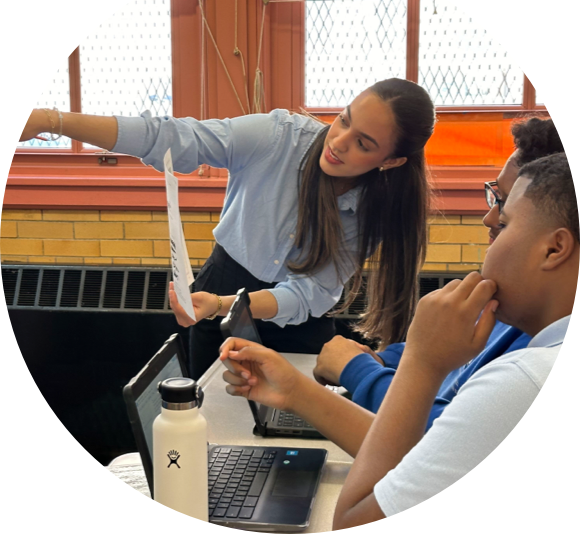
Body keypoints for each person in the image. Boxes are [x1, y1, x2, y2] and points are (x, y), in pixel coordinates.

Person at [219, 151, 579, 528]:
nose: (489, 223)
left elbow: (353, 523)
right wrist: (294, 390)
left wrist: (423, 361)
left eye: (504, 222)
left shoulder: (530, 382)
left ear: (554, 249)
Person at [20, 79, 435, 379]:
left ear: (391, 162)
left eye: (364, 143)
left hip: (292, 322)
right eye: (343, 120)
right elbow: (168, 137)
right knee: (213, 425)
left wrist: (226, 305)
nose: (339, 142)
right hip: (221, 286)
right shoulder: (277, 136)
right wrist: (51, 120)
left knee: (293, 434)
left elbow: (308, 294)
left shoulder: (376, 207)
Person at [312, 116, 564, 431]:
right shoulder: (513, 306)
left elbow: (449, 437)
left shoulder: (544, 366)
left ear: (556, 246)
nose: (489, 219)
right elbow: (447, 365)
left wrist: (354, 373)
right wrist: (385, 361)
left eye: (505, 211)